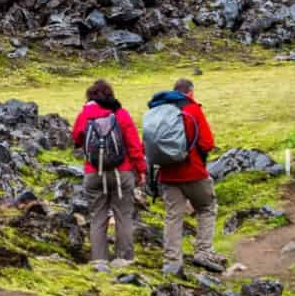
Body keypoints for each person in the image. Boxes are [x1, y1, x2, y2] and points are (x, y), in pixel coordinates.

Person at [146, 78, 221, 274]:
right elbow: (207, 142)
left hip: (167, 175)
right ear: (190, 93)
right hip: (194, 172)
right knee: (207, 207)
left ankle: (172, 262)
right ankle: (203, 252)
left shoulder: (158, 112)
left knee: (173, 217)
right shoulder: (192, 109)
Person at [70, 79, 145, 271]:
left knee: (97, 216)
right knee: (123, 215)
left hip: (93, 173)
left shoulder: (85, 115)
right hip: (122, 172)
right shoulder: (120, 114)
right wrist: (141, 170)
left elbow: (76, 139)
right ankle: (124, 258)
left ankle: (99, 260)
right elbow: (134, 145)